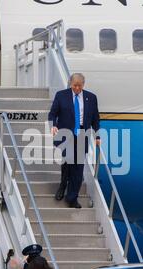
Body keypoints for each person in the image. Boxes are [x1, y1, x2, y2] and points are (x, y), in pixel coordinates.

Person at [48, 73, 101, 208]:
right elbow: (53, 113)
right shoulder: (61, 95)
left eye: (80, 86)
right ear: (70, 84)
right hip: (65, 134)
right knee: (68, 163)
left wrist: (97, 136)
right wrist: (54, 125)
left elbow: (95, 119)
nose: (77, 88)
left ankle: (72, 198)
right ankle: (62, 185)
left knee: (78, 167)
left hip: (82, 134)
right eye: (74, 85)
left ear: (83, 84)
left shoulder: (91, 97)